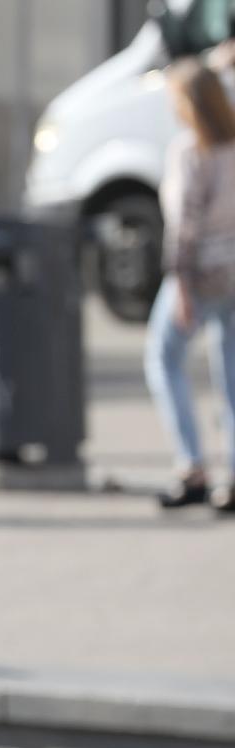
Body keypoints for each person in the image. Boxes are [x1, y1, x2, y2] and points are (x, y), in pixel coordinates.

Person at [145, 60, 235, 513]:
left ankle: (192, 467)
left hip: (198, 275)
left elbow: (185, 225)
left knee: (162, 359)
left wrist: (179, 284)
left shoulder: (190, 151)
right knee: (232, 376)